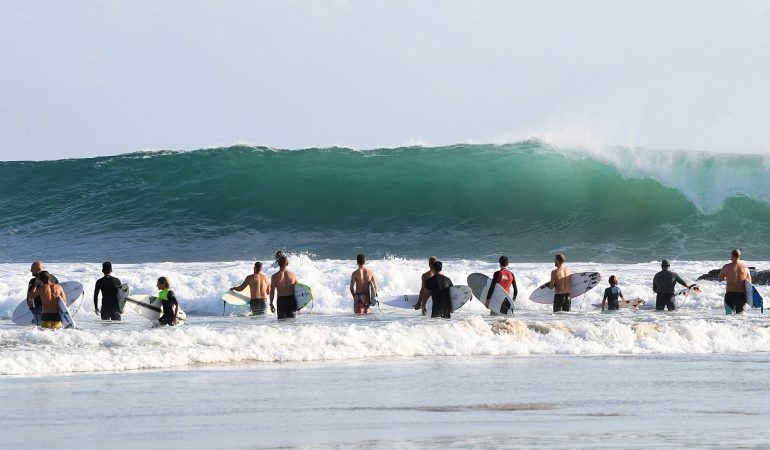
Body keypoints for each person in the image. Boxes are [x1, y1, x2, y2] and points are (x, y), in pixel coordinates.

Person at [718, 249, 752, 314]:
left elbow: (720, 279)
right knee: (740, 316)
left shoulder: (726, 267)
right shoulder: (745, 268)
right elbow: (749, 283)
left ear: (732, 256)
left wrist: (728, 278)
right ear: (739, 256)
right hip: (741, 296)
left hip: (729, 295)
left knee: (728, 315)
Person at [26, 261, 59, 326]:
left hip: (40, 311)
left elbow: (29, 298)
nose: (31, 270)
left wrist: (32, 310)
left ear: (37, 269)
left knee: (40, 331)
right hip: (55, 312)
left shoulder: (34, 281)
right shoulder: (53, 278)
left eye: (32, 269)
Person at [270, 255, 299, 319]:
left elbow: (272, 291)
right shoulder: (293, 275)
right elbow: (298, 290)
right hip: (292, 300)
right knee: (292, 321)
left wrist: (271, 304)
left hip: (281, 301)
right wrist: (299, 304)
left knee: (281, 322)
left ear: (278, 263)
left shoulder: (274, 276)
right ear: (287, 263)